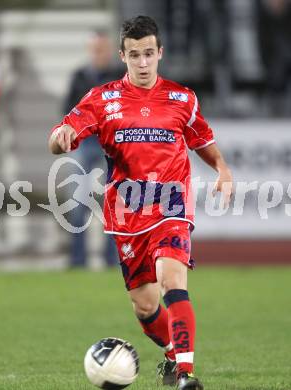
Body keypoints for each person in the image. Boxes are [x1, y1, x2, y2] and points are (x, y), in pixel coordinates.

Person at [49, 16, 233, 390]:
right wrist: (61, 137)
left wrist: (223, 169)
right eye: (135, 55)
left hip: (171, 206)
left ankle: (186, 375)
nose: (144, 62)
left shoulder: (182, 98)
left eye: (149, 53)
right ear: (123, 56)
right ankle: (170, 353)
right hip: (127, 215)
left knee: (172, 280)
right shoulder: (102, 100)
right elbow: (60, 136)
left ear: (160, 53)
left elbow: (202, 140)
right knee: (145, 307)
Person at [63, 30, 122, 268]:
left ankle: (112, 259)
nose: (100, 54)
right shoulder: (79, 76)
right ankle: (78, 260)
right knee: (78, 204)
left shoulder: (120, 76)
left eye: (103, 49)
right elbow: (67, 109)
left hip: (111, 145)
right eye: (96, 49)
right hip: (86, 141)